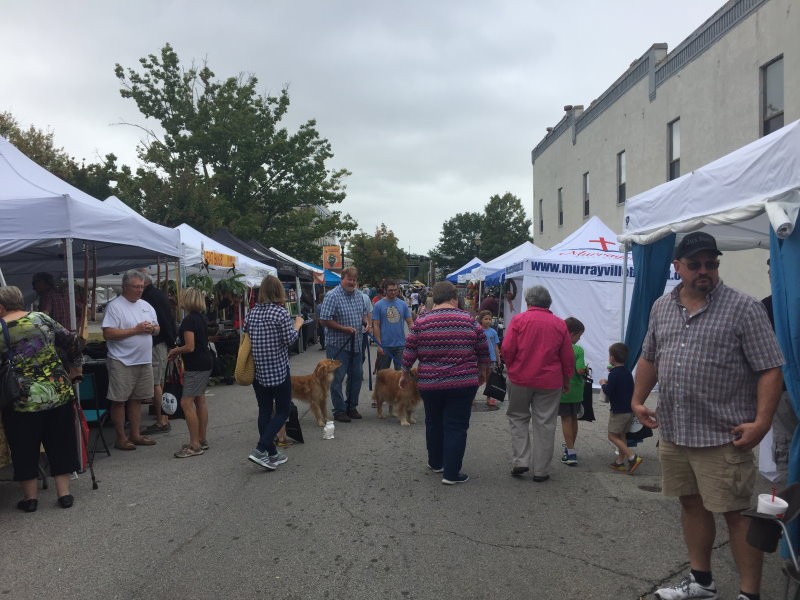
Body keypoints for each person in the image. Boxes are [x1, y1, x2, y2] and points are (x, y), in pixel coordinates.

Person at [631, 232, 783, 600]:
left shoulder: (744, 308)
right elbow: (651, 356)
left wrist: (762, 422)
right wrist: (637, 399)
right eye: (695, 264)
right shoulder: (661, 307)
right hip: (676, 431)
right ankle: (702, 582)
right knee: (691, 503)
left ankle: (750, 594)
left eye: (711, 263)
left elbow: (770, 368)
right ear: (677, 267)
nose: (705, 271)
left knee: (736, 514)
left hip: (722, 435)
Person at [0, 285, 83, 512]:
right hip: (57, 391)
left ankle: (30, 499)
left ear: (2, 306)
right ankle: (64, 494)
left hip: (22, 399)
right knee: (60, 442)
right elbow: (72, 341)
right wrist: (76, 369)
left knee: (24, 446)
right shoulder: (41, 318)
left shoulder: (1, 328)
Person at [401, 281, 489, 484]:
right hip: (462, 382)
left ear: (435, 299)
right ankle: (451, 473)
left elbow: (410, 348)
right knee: (456, 426)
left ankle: (436, 463)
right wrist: (483, 371)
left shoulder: (422, 321)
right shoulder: (468, 320)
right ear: (454, 298)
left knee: (433, 422)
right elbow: (483, 347)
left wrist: (405, 373)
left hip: (430, 383)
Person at [502, 285, 574, 482]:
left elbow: (507, 349)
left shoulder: (518, 320)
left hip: (519, 378)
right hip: (550, 382)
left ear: (528, 302)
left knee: (518, 417)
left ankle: (521, 461)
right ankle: (541, 470)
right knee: (545, 423)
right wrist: (566, 379)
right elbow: (567, 357)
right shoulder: (560, 324)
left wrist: (512, 367)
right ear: (548, 302)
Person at [244, 275, 304, 470]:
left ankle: (271, 454)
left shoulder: (252, 313)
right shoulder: (280, 313)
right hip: (278, 370)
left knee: (264, 411)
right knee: (283, 410)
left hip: (258, 371)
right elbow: (289, 340)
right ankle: (260, 449)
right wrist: (298, 325)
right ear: (279, 291)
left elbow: (245, 335)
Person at [102, 270, 160, 451]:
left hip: (143, 359)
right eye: (136, 287)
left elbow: (158, 329)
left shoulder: (146, 305)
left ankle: (135, 435)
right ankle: (121, 438)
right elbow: (108, 333)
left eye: (142, 287)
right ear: (125, 287)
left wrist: (152, 329)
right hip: (122, 360)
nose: (139, 290)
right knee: (119, 400)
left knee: (137, 399)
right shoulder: (115, 306)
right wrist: (135, 330)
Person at [319, 267, 370, 423]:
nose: (352, 282)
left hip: (356, 343)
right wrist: (343, 329)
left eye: (354, 280)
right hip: (338, 345)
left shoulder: (359, 296)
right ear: (342, 279)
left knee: (357, 376)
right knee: (337, 379)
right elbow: (324, 319)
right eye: (349, 279)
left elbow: (361, 315)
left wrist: (366, 323)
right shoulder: (332, 296)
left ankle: (351, 406)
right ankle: (339, 410)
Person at [167, 288, 213, 458]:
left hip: (195, 365)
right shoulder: (201, 318)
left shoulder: (188, 321)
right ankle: (201, 438)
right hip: (205, 361)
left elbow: (190, 346)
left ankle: (194, 445)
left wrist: (175, 351)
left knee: (186, 403)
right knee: (200, 400)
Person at [140, 272, 178, 436]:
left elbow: (162, 321)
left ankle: (162, 420)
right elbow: (169, 319)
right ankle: (164, 418)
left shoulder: (149, 297)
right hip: (163, 343)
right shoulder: (157, 295)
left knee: (157, 383)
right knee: (160, 381)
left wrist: (171, 343)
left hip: (157, 344)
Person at [599, 342, 641, 473]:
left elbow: (609, 391)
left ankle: (632, 456)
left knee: (612, 436)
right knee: (621, 434)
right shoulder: (627, 373)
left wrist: (603, 383)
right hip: (628, 410)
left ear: (611, 358)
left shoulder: (614, 374)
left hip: (618, 412)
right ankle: (619, 461)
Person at [558, 317, 585, 466]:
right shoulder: (578, 350)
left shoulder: (560, 347)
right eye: (579, 336)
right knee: (574, 419)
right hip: (577, 390)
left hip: (564, 390)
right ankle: (571, 449)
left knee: (566, 419)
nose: (579, 339)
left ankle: (570, 451)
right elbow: (580, 370)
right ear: (573, 333)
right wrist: (585, 369)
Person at [372, 279, 413, 372]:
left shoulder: (403, 304)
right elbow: (376, 325)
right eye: (390, 290)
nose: (393, 292)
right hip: (384, 345)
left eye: (395, 289)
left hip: (400, 345)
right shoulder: (378, 305)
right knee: (384, 376)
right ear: (385, 290)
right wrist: (379, 344)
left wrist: (411, 338)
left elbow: (410, 322)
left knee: (401, 375)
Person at [477, 310, 501, 409]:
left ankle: (489, 398)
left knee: (490, 379)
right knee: (479, 378)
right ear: (481, 320)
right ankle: (472, 397)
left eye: (490, 319)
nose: (488, 321)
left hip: (491, 359)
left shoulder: (493, 332)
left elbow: (495, 346)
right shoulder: (478, 331)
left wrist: (498, 358)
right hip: (481, 359)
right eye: (485, 319)